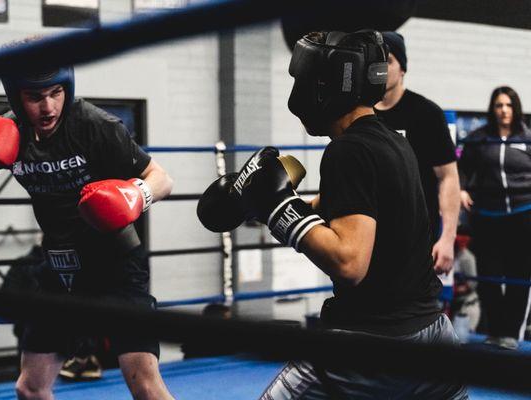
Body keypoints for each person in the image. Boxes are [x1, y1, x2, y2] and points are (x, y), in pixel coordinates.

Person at [200, 30, 467, 398]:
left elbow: (349, 263)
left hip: (369, 345)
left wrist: (278, 207)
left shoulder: (347, 152)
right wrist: (264, 207)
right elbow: (338, 208)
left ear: (331, 90)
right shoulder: (394, 142)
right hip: (433, 337)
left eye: (309, 81)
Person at [0, 39, 174, 400]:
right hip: (58, 269)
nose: (48, 106)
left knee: (144, 384)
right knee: (30, 387)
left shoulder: (96, 126)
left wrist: (135, 196)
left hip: (115, 266)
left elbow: (162, 178)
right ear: (16, 96)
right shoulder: (6, 134)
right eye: (36, 97)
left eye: (56, 93)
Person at [375, 31, 460, 275]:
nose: (382, 68)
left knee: (415, 309)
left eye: (388, 61)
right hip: (369, 234)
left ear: (402, 68)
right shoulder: (360, 114)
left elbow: (448, 177)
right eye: (376, 62)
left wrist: (447, 239)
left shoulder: (426, 114)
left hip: (417, 236)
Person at [459, 86, 531, 350]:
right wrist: (462, 188)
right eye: (499, 105)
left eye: (509, 105)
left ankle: (510, 333)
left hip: (523, 215)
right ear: (493, 109)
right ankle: (496, 329)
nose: (504, 110)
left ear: (516, 108)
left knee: (518, 276)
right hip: (489, 216)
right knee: (488, 276)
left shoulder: (527, 137)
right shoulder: (480, 138)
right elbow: (461, 168)